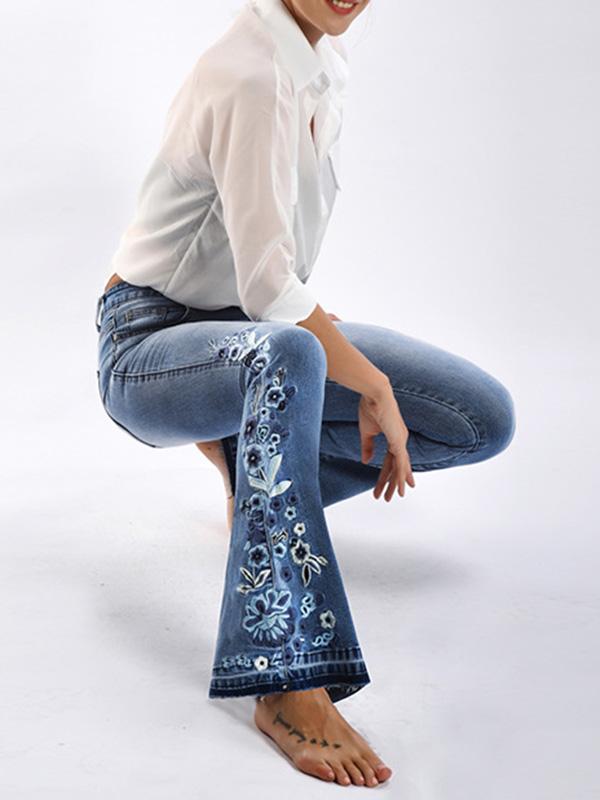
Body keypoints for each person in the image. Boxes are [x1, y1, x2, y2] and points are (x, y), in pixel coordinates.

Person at [94, 0, 516, 788]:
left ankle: (254, 482)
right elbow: (268, 287)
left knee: (477, 417)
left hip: (255, 335)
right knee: (295, 350)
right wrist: (367, 378)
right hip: (149, 344)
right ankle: (286, 678)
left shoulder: (319, 62)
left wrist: (335, 354)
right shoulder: (253, 74)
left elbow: (269, 277)